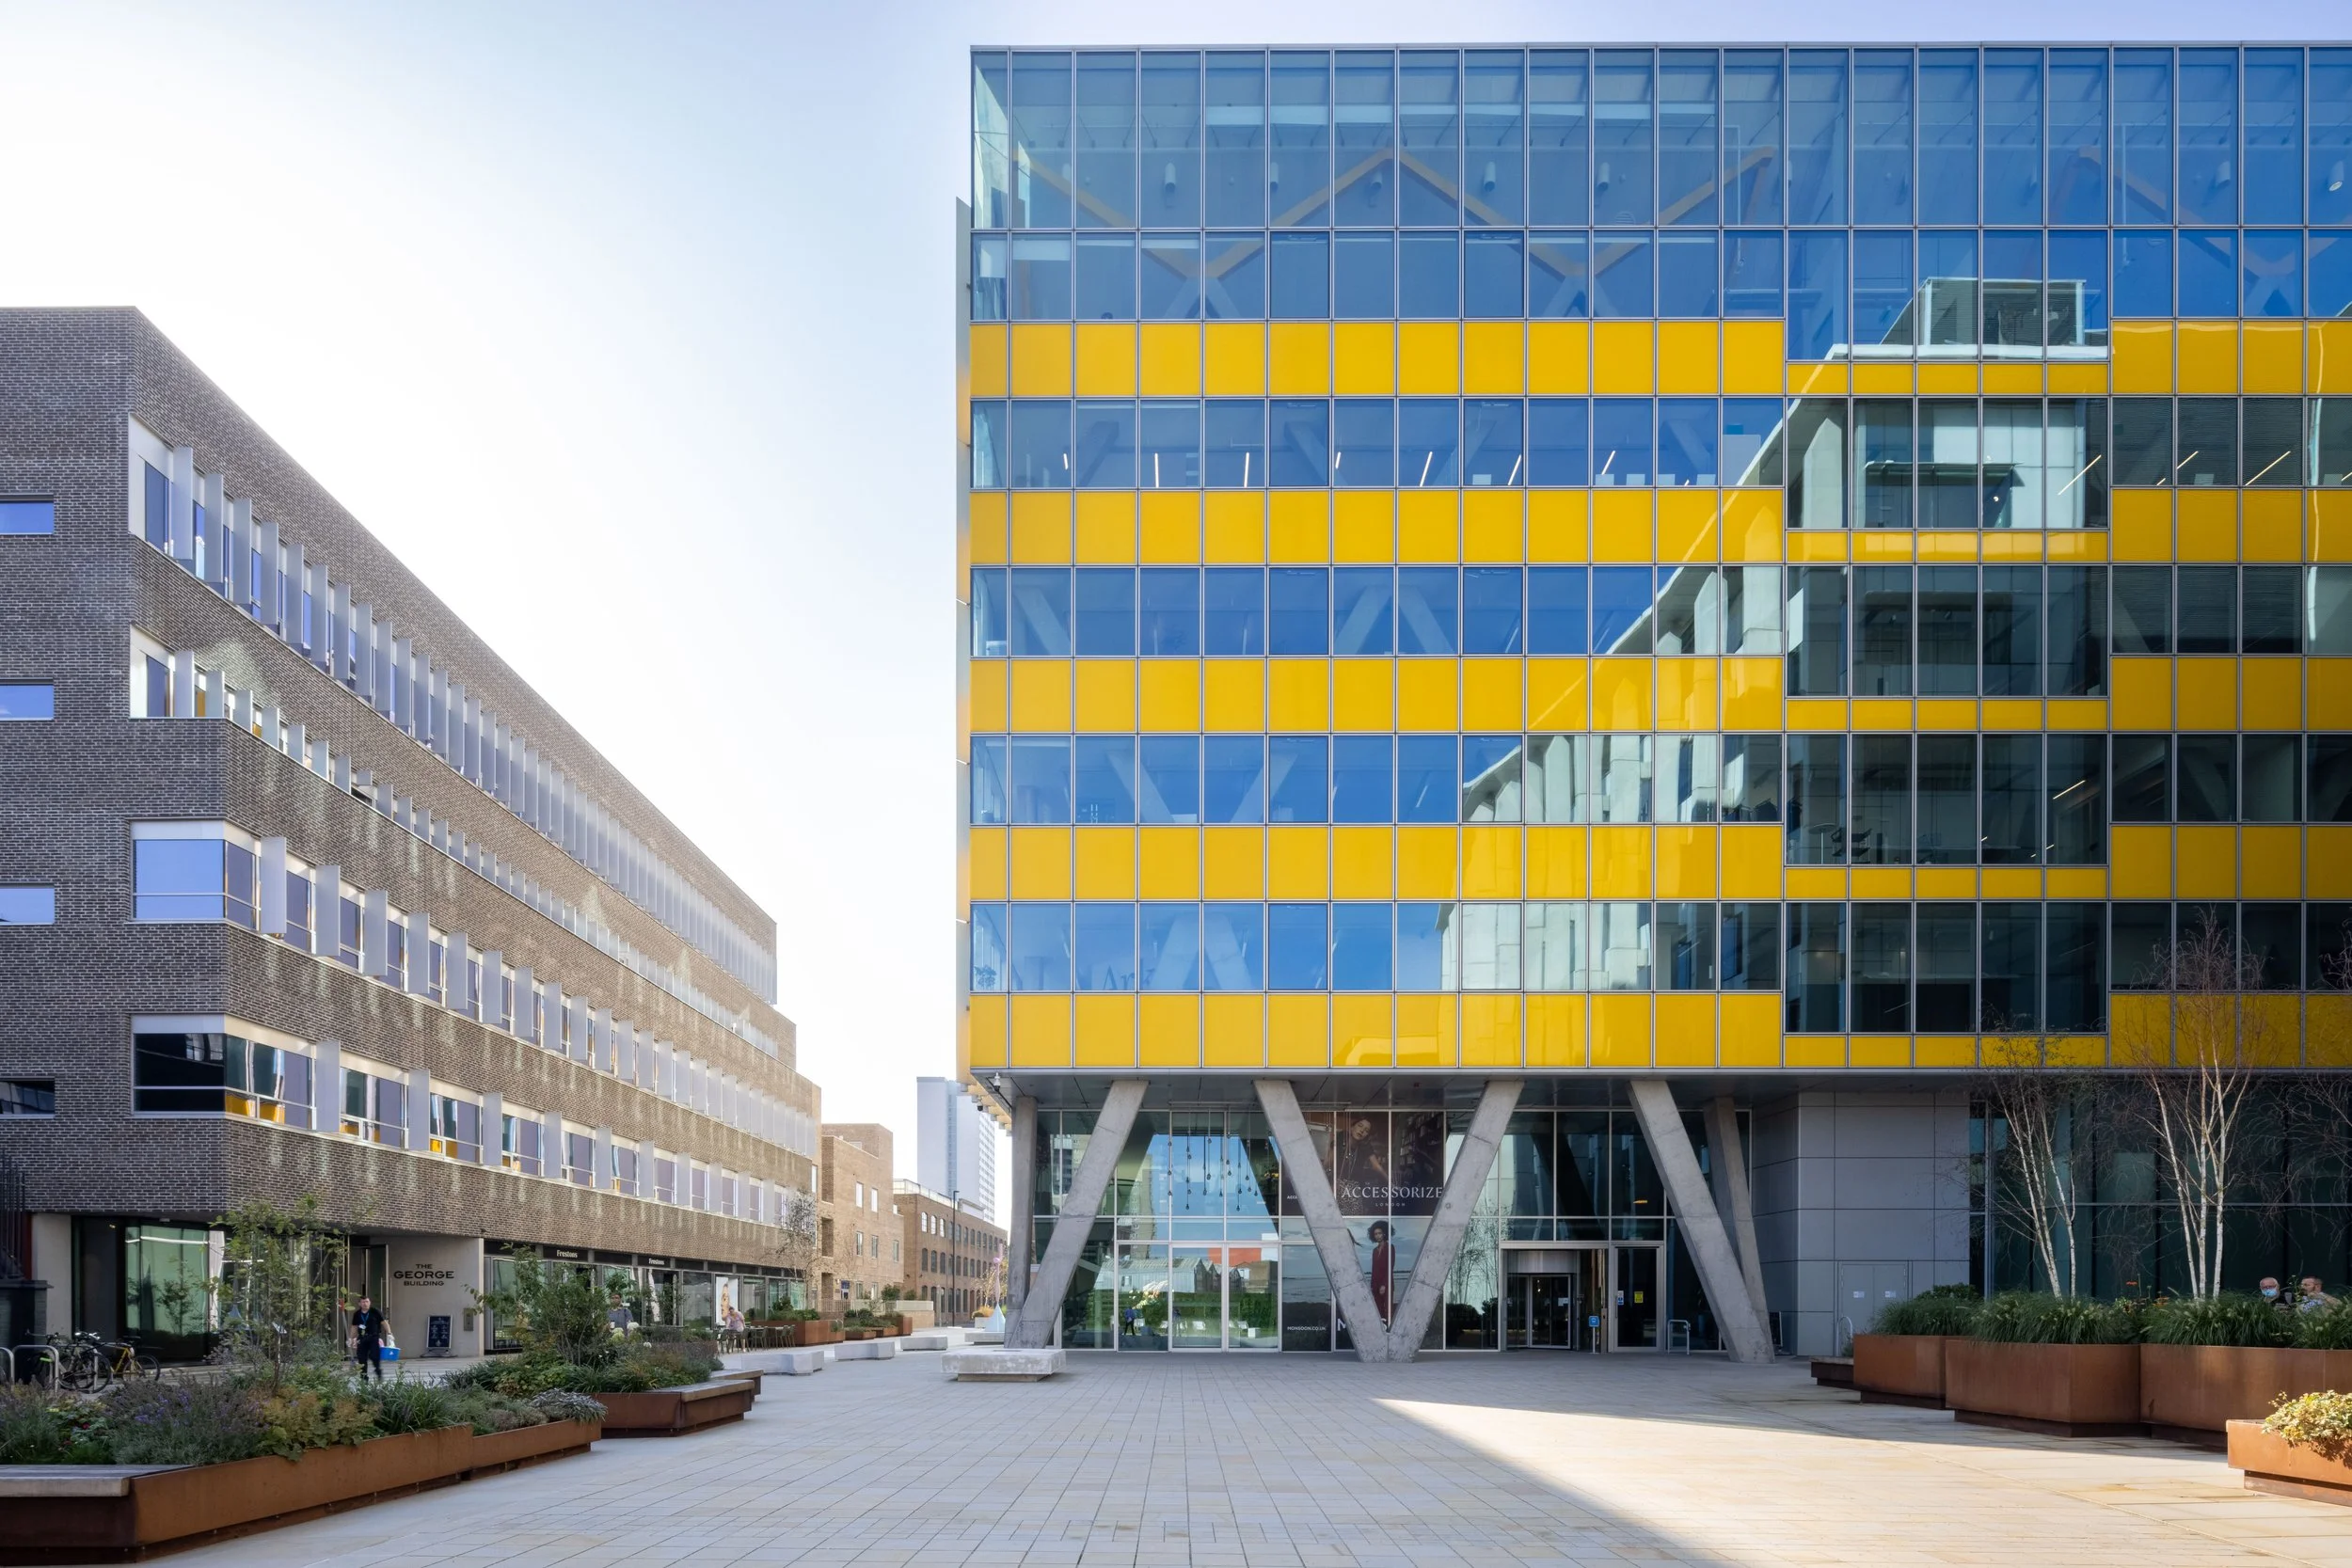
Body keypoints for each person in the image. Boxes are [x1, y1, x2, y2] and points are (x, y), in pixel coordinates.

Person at [348, 1295, 387, 1382]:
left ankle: (378, 1370)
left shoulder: (375, 1311)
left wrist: (390, 1333)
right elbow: (354, 1327)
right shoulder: (357, 1314)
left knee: (374, 1355)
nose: (365, 1304)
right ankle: (364, 1377)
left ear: (369, 1303)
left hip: (373, 1337)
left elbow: (384, 1323)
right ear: (359, 1303)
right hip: (362, 1338)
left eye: (367, 1302)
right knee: (361, 1358)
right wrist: (351, 1338)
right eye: (363, 1302)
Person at [1367, 1221, 1395, 1325]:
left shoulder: (1390, 1247)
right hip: (1375, 1285)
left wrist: (1384, 1284)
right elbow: (1374, 1269)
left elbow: (1390, 1267)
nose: (1378, 1236)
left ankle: (1390, 1331)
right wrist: (1372, 1286)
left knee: (1388, 1311)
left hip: (1386, 1284)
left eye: (1379, 1233)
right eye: (1375, 1234)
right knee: (1379, 1312)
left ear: (1384, 1234)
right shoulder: (1374, 1250)